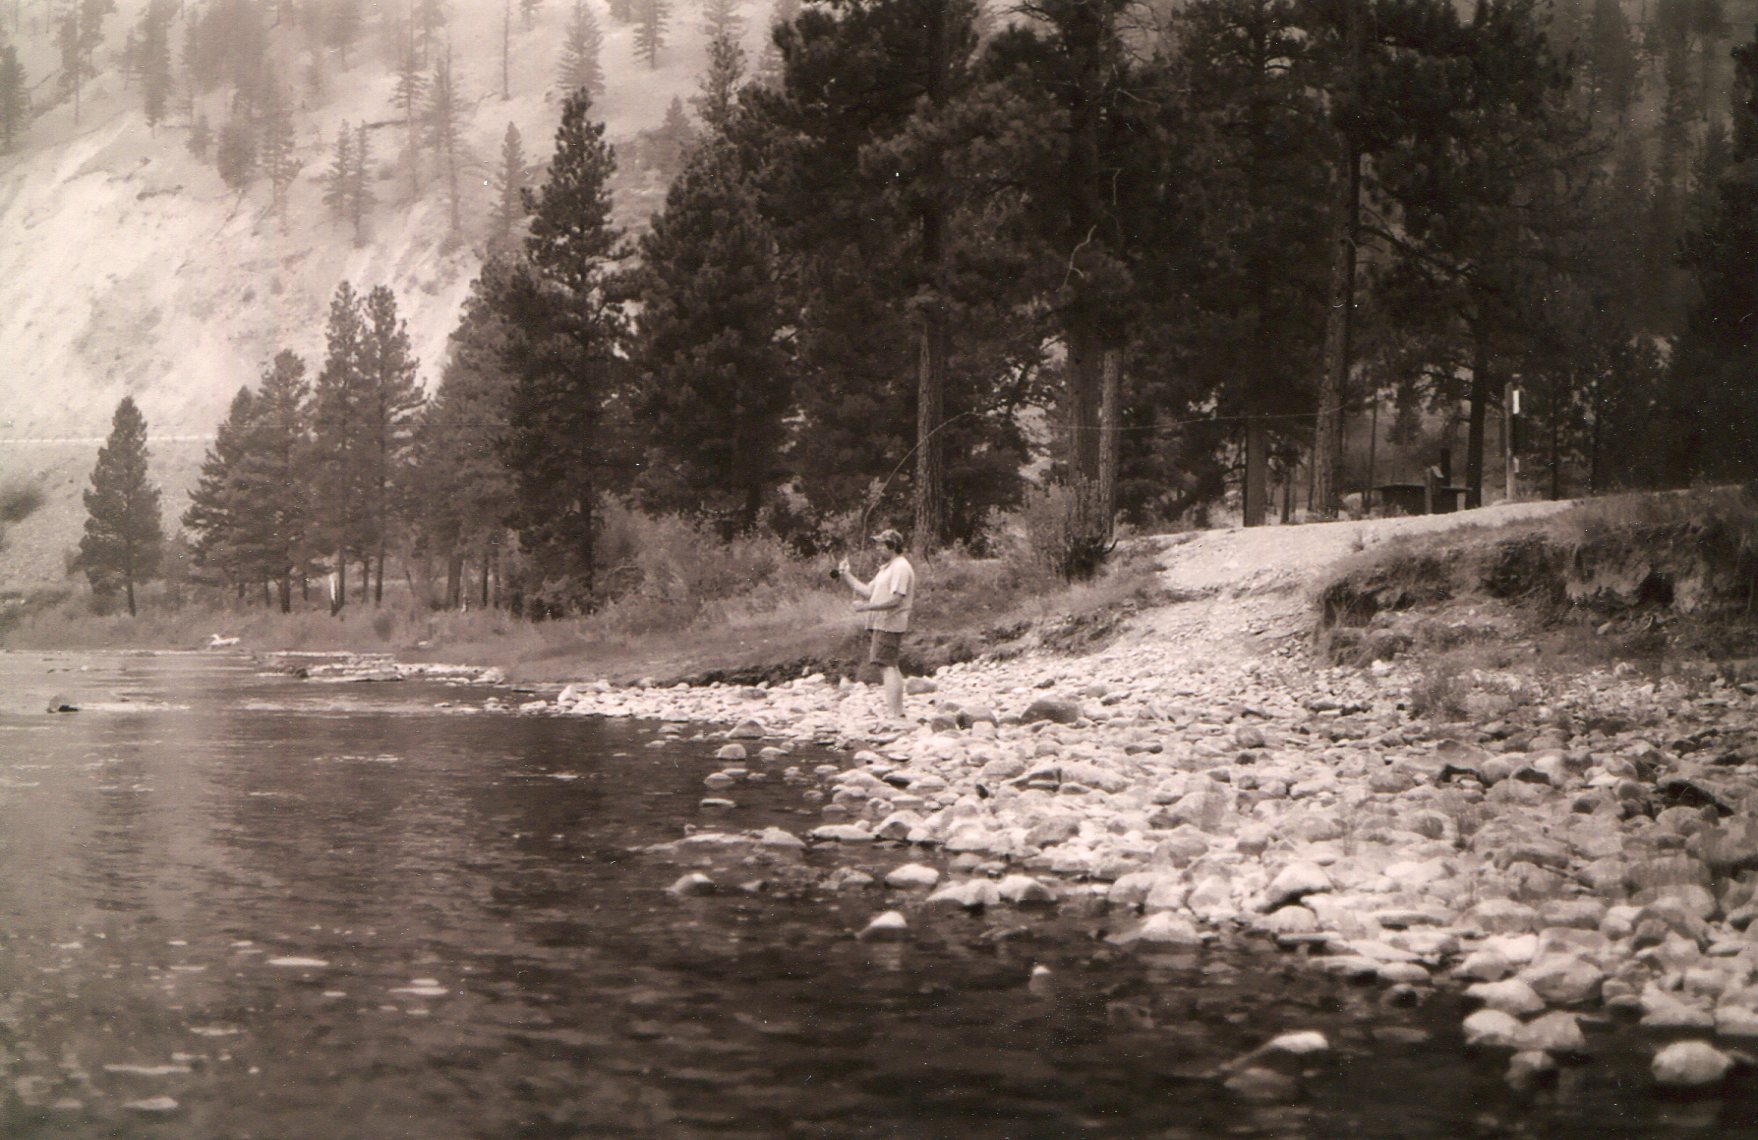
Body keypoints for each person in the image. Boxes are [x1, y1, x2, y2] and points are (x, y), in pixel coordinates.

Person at [837, 528, 915, 722]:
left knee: (886, 666)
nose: (878, 548)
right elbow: (867, 591)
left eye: (881, 544)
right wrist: (847, 574)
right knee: (890, 665)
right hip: (883, 623)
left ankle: (895, 714)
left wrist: (866, 607)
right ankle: (897, 712)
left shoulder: (900, 567)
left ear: (892, 546)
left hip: (890, 622)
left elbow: (897, 599)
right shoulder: (886, 569)